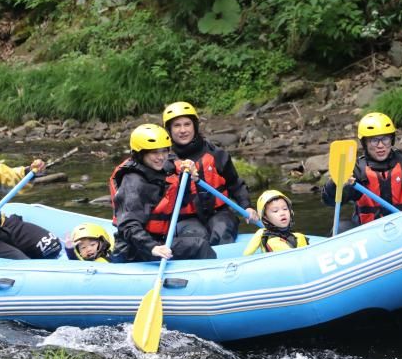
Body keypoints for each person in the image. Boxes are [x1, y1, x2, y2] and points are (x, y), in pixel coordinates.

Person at [321, 112, 402, 232]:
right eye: (374, 140)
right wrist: (335, 183)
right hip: (370, 234)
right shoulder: (357, 170)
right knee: (341, 227)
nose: (380, 145)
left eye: (385, 139)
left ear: (392, 140)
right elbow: (331, 201)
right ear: (364, 142)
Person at [110, 123, 216, 262]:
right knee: (199, 246)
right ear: (140, 153)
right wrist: (152, 247)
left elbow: (177, 172)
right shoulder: (133, 183)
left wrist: (190, 173)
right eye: (154, 152)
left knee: (199, 236)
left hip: (159, 240)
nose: (161, 157)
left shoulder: (161, 169)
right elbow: (128, 225)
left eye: (164, 151)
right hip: (136, 248)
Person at [162, 101, 257, 245]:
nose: (183, 130)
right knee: (196, 239)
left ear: (195, 126)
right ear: (169, 130)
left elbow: (235, 184)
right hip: (184, 218)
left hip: (219, 213)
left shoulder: (216, 154)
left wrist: (247, 206)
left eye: (187, 124)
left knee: (222, 232)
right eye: (177, 125)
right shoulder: (164, 162)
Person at [0, 159, 62, 260]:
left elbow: (10, 177)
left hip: (2, 224)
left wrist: (29, 171)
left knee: (51, 245)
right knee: (22, 262)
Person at [244, 190, 308, 254]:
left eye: (285, 209)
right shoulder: (262, 234)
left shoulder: (296, 236)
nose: (282, 213)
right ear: (265, 217)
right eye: (275, 211)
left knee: (300, 237)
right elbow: (246, 255)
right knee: (273, 242)